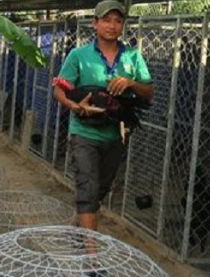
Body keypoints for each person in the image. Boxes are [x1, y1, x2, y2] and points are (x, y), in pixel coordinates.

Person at [52, 0, 154, 232]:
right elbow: (59, 89)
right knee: (87, 188)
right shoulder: (78, 55)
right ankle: (92, 251)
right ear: (95, 23)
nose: (112, 25)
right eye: (106, 20)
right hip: (83, 132)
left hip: (115, 134)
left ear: (123, 25)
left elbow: (149, 92)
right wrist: (76, 106)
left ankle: (79, 227)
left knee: (101, 189)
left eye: (118, 21)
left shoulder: (133, 57)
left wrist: (130, 83)